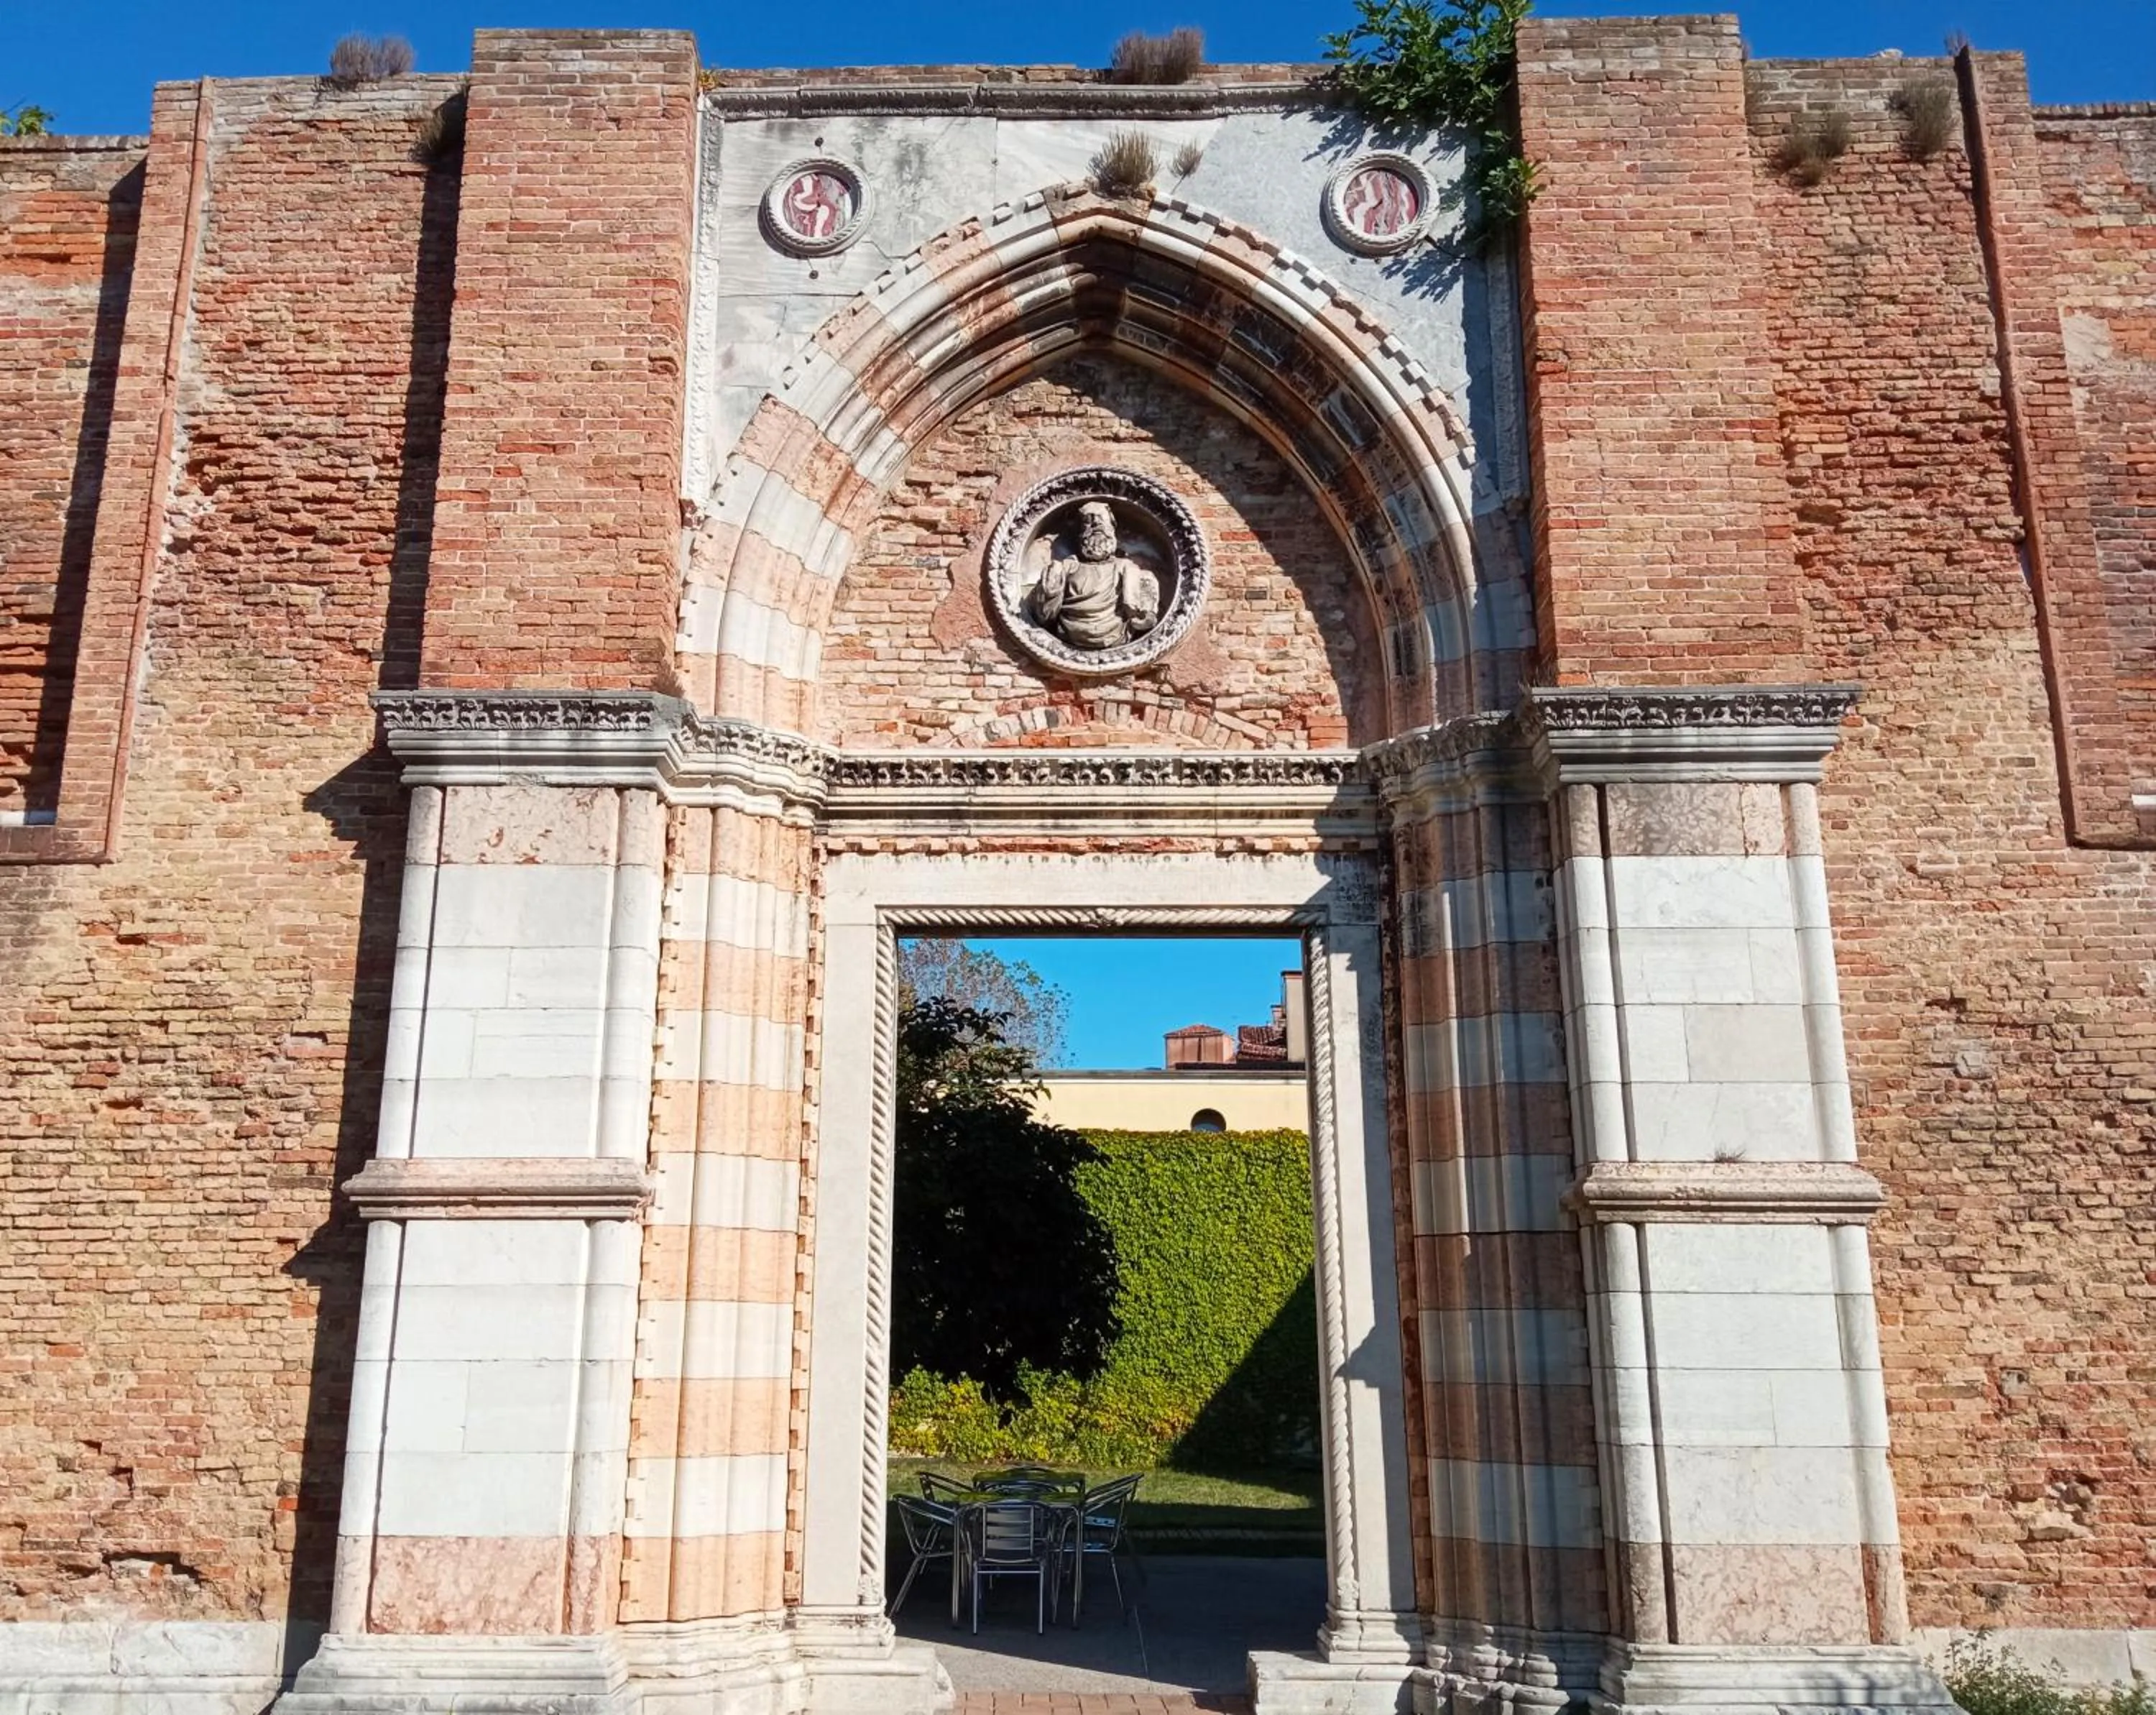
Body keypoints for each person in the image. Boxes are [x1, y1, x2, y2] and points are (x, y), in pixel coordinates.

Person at [1026, 501, 1160, 650]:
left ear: (1112, 530)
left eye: (1101, 520)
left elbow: (1143, 607)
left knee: (1144, 577)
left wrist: (1143, 612)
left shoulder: (1126, 567)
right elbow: (1044, 615)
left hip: (1115, 633)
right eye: (1089, 522)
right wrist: (1050, 588)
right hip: (1068, 631)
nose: (1096, 524)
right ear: (1080, 533)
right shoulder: (1067, 566)